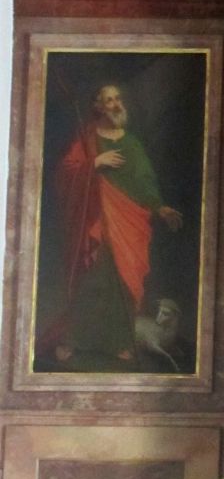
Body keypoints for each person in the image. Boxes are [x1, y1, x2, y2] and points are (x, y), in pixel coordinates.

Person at [45, 84, 183, 369]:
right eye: (109, 100)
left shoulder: (130, 143)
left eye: (118, 98)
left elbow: (144, 182)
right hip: (97, 222)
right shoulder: (88, 139)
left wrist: (161, 207)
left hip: (128, 224)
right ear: (98, 106)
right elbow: (65, 173)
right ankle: (73, 340)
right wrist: (95, 162)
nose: (116, 104)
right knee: (93, 279)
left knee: (124, 282)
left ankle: (119, 342)